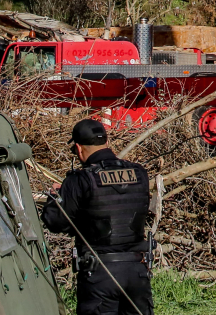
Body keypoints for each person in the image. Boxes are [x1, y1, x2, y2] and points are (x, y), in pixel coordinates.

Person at [40, 118, 152, 315]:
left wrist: (56, 197)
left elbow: (55, 222)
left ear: (78, 149)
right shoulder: (139, 173)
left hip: (99, 275)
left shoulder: (80, 180)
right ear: (106, 143)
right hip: (138, 273)